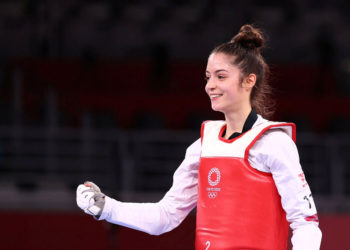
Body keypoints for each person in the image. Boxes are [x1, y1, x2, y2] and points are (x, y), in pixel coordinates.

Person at [76, 24, 322, 250]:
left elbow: (306, 223)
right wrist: (106, 207)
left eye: (221, 76)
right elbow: (166, 216)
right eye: (208, 76)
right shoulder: (202, 147)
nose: (209, 85)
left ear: (249, 81)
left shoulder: (274, 143)